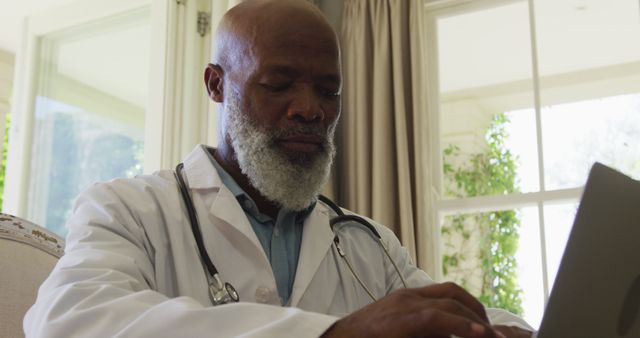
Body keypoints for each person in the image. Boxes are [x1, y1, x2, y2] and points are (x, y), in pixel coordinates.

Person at [25, 0, 534, 337]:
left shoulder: (366, 243)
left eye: (328, 90)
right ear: (216, 85)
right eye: (279, 83)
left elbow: (448, 314)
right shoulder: (128, 209)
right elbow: (68, 321)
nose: (310, 109)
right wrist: (333, 333)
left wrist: (502, 331)